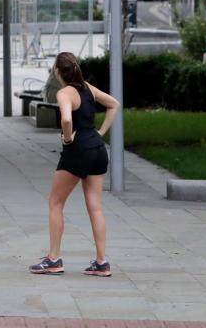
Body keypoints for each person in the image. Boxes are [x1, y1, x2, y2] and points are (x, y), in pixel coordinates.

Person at [29, 52, 120, 277]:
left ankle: (54, 258)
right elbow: (114, 104)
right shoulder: (88, 87)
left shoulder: (64, 93)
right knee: (95, 206)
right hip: (98, 149)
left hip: (78, 151)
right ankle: (101, 262)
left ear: (57, 72)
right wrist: (101, 132)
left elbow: (67, 119)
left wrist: (68, 138)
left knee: (55, 203)